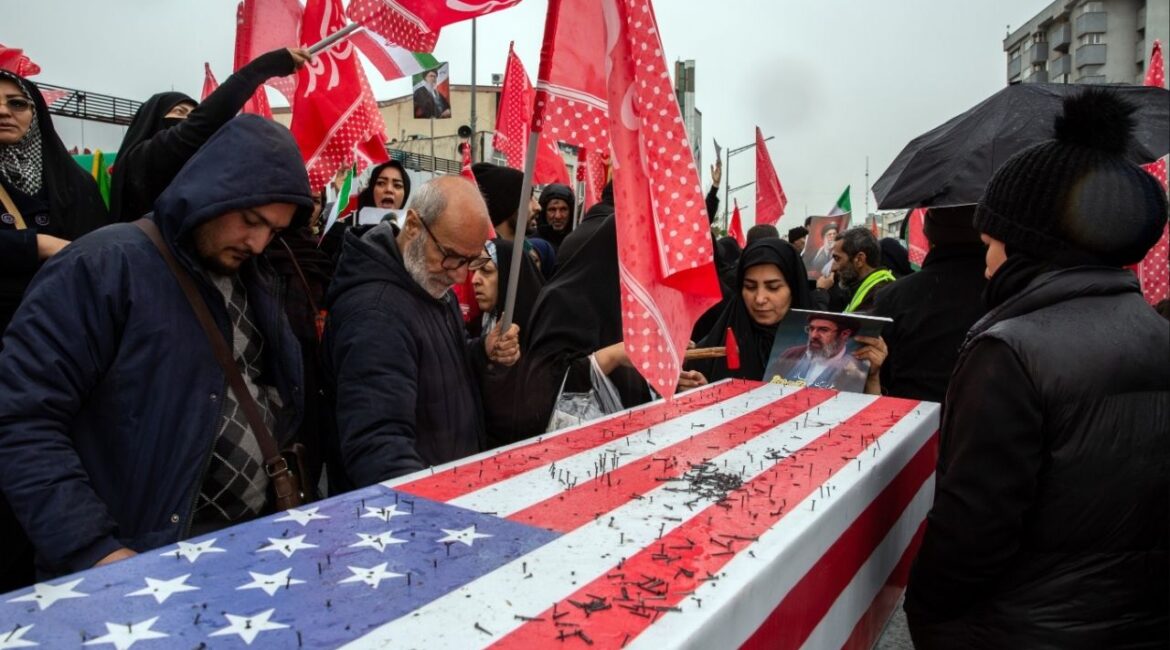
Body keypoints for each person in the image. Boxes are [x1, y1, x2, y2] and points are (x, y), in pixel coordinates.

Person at [904, 88, 1169, 648]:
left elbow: (972, 529)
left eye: (990, 243)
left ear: (1028, 244)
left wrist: (925, 610)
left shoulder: (1010, 352)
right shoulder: (1160, 333)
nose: (987, 261)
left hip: (1019, 628)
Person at [0, 115, 313, 577]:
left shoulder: (255, 277)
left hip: (247, 555)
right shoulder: (101, 266)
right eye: (252, 220)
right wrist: (92, 549)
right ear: (214, 189)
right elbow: (22, 418)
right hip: (134, 566)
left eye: (275, 230)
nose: (259, 242)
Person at [324, 176, 519, 488]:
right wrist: (426, 515)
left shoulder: (428, 283)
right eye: (451, 256)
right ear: (413, 226)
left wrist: (481, 350)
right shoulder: (376, 314)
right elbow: (379, 448)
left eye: (470, 261)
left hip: (449, 493)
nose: (458, 275)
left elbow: (435, 362)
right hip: (419, 514)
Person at [0, 69, 109, 592]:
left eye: (18, 103)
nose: (5, 111)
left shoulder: (77, 187)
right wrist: (36, 246)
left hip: (70, 370)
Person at [109, 48, 310, 222]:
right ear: (152, 118)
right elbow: (202, 124)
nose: (187, 120)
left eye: (191, 114)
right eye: (180, 112)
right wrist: (264, 67)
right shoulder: (143, 158)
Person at [872, 206, 986, 403]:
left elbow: (881, 372)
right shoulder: (1012, 291)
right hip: (985, 424)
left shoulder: (893, 296)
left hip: (912, 423)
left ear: (927, 234)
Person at [689, 239, 812, 382]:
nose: (759, 299)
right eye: (750, 287)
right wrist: (701, 390)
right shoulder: (714, 347)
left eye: (773, 287)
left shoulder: (823, 343)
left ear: (794, 289)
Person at [472, 237, 545, 448]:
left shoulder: (539, 331)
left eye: (486, 271)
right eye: (474, 271)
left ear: (509, 277)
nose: (475, 279)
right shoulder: (476, 328)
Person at [767, 313, 876, 393]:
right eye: (811, 329)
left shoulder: (857, 367)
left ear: (844, 334)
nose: (813, 336)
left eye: (823, 330)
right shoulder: (791, 354)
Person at [818, 226, 895, 313]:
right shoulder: (865, 287)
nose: (834, 267)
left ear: (859, 259)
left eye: (837, 258)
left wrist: (821, 293)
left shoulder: (879, 295)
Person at [471, 162, 540, 241]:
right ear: (506, 204)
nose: (538, 207)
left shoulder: (530, 250)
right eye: (529, 198)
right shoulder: (480, 252)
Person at [535, 183, 575, 251]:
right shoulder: (532, 244)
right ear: (543, 212)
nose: (558, 216)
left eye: (563, 209)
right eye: (552, 210)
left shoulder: (578, 243)